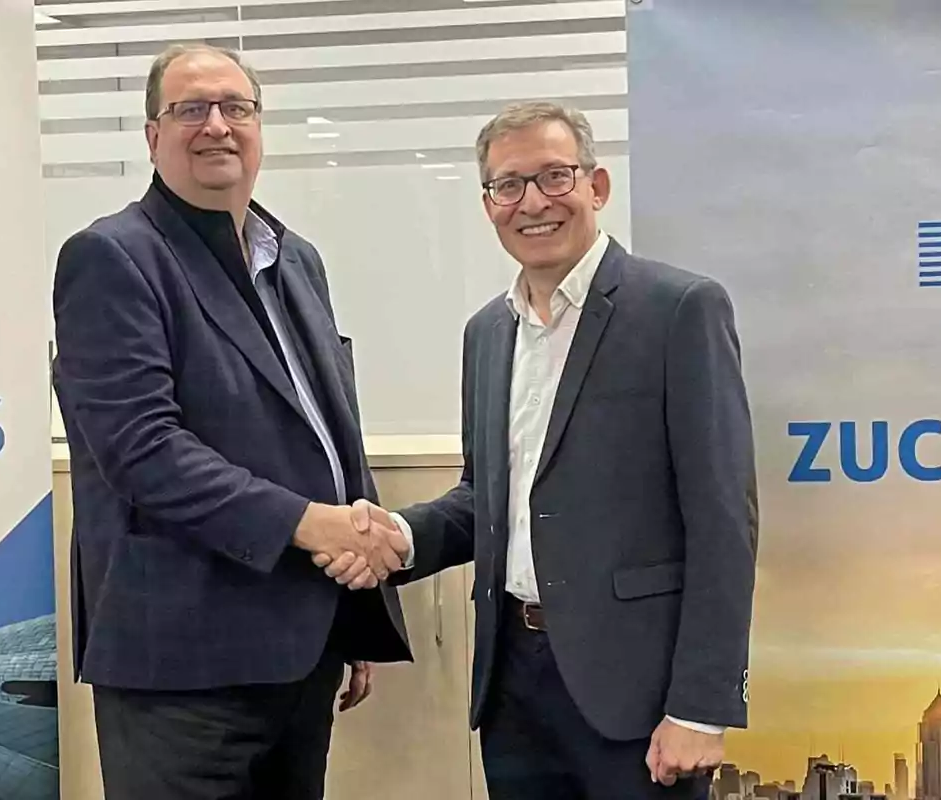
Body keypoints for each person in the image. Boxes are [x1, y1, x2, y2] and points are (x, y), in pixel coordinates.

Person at [323, 102, 758, 798]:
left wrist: (701, 705)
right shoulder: (487, 333)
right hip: (513, 688)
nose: (533, 203)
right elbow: (485, 498)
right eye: (508, 185)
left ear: (597, 186)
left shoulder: (679, 310)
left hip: (637, 697)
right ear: (488, 203)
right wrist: (398, 538)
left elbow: (722, 521)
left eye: (555, 177)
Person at [52, 43, 411, 800]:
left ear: (259, 126)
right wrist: (313, 526)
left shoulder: (296, 258)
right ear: (153, 136)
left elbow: (326, 429)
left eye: (236, 108)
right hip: (183, 669)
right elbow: (142, 451)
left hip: (302, 649)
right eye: (190, 109)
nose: (216, 125)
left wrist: (356, 604)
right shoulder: (111, 257)